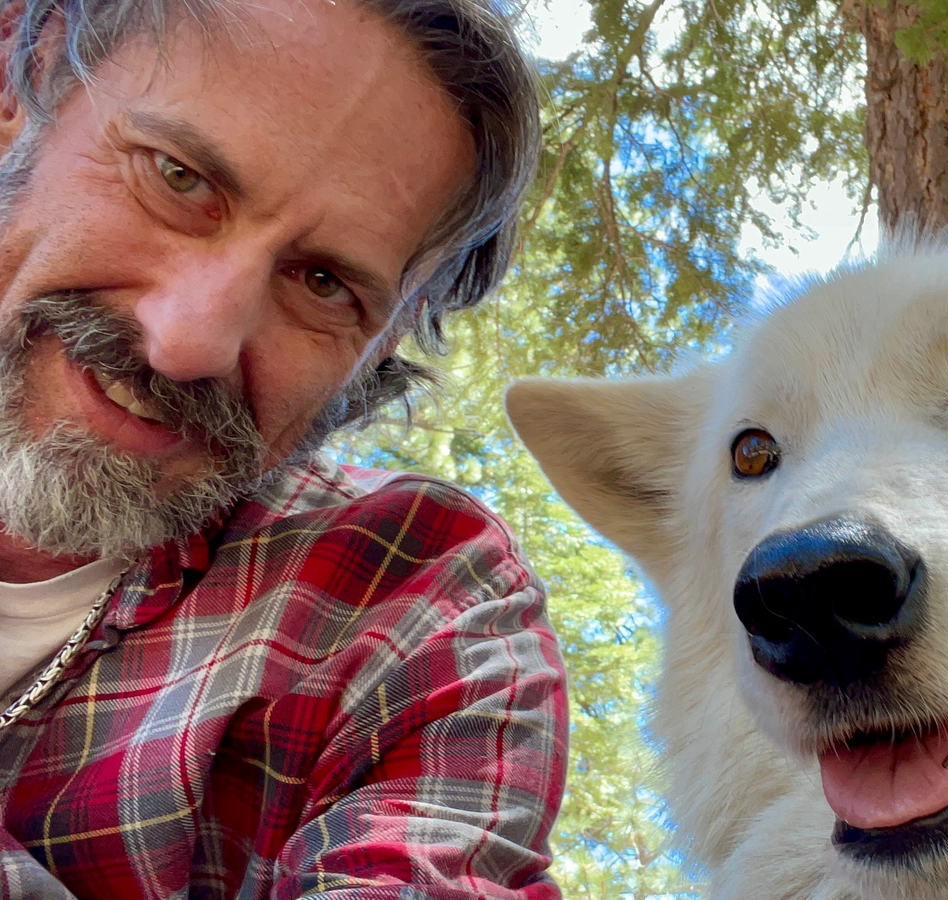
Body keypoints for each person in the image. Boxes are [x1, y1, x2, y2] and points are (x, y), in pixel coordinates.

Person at [0, 0, 567, 897]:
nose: (188, 342)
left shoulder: (414, 604)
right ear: (23, 77)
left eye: (323, 283)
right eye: (179, 177)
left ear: (383, 343)